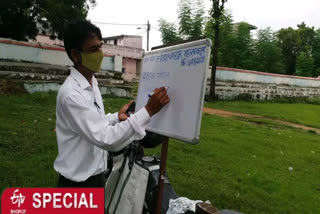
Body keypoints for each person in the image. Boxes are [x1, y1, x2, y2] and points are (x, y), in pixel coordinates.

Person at [54, 19, 170, 187]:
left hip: (95, 175)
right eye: (93, 49)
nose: (100, 53)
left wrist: (117, 116)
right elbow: (106, 138)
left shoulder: (91, 81)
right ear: (75, 55)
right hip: (78, 184)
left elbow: (95, 123)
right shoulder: (71, 95)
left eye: (100, 46)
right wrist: (148, 110)